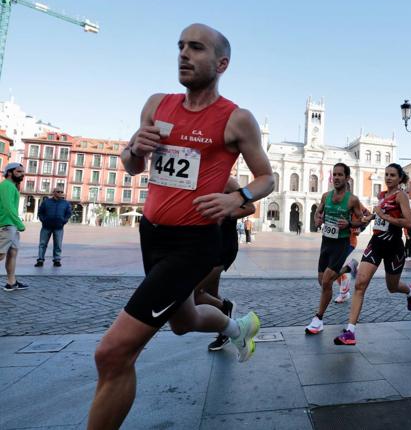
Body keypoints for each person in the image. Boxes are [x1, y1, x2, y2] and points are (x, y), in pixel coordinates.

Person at [87, 24, 274, 430]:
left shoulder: (236, 119)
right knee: (182, 320)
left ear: (222, 63)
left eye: (196, 48)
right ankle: (237, 327)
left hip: (194, 243)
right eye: (180, 47)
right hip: (152, 234)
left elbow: (267, 178)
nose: (184, 55)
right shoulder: (157, 104)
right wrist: (134, 147)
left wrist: (237, 198)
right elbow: (133, 166)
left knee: (113, 353)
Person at [334, 163, 411, 345]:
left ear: (399, 178)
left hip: (394, 246)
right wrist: (370, 218)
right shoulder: (382, 195)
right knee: (360, 285)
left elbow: (409, 222)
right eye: (386, 174)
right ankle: (350, 332)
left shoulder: (401, 196)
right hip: (376, 243)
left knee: (392, 287)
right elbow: (379, 214)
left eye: (392, 175)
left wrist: (384, 216)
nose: (388, 178)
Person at [305, 163, 368, 335]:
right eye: (335, 174)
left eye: (340, 175)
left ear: (347, 178)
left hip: (342, 244)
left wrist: (349, 223)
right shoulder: (326, 196)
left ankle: (318, 319)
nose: (337, 177)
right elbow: (318, 213)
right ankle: (349, 268)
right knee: (323, 281)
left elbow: (363, 220)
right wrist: (317, 220)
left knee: (326, 281)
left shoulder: (353, 200)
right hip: (326, 243)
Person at [194, 176, 256, 351]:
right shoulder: (199, 178)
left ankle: (226, 308)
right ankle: (225, 332)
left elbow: (251, 207)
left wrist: (226, 213)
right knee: (211, 295)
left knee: (194, 294)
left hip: (223, 246)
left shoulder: (228, 182)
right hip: (207, 245)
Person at [0, 163, 28, 292]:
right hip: (6, 224)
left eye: (23, 172)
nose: (22, 174)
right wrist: (19, 224)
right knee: (0, 254)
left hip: (11, 225)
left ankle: (11, 283)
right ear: (10, 172)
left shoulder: (12, 186)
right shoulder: (6, 186)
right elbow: (8, 207)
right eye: (19, 171)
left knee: (12, 253)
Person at [35, 186, 72, 267]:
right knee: (42, 244)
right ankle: (40, 260)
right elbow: (40, 212)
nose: (60, 193)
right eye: (58, 192)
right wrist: (43, 220)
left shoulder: (66, 203)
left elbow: (68, 213)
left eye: (62, 192)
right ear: (54, 192)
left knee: (58, 244)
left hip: (59, 227)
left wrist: (63, 221)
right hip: (46, 227)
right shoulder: (46, 202)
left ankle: (57, 260)